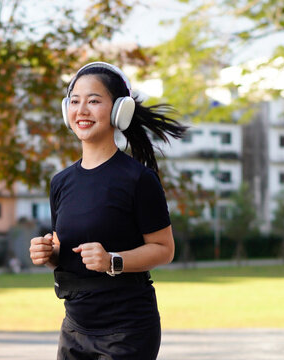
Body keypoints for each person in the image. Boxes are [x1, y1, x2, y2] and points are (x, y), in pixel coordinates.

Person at [29, 61, 188, 360]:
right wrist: (49, 255)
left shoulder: (138, 179)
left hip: (127, 330)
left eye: (94, 101)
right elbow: (67, 251)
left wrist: (112, 261)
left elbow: (164, 249)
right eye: (75, 101)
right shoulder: (61, 182)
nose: (82, 110)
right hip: (75, 327)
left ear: (119, 111)